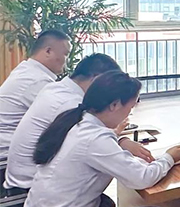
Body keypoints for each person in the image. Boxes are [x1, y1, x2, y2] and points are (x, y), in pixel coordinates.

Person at [21, 71, 180, 207]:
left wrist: (120, 141)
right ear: (114, 105)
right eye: (130, 107)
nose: (129, 113)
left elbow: (92, 149)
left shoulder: (74, 120)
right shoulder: (95, 138)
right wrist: (169, 157)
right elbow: (142, 178)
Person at [5, 53, 152, 191]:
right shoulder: (70, 103)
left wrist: (119, 140)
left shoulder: (56, 88)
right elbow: (94, 143)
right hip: (33, 184)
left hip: (24, 175)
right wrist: (119, 142)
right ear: (97, 80)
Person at [0, 30, 71, 159]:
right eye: (65, 54)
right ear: (48, 51)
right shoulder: (37, 81)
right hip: (7, 157)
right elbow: (64, 119)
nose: (67, 60)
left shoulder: (26, 70)